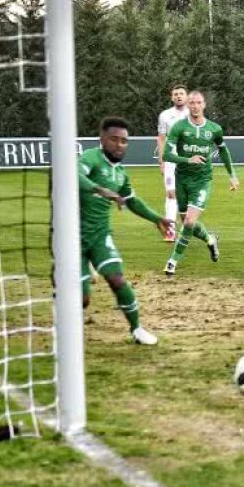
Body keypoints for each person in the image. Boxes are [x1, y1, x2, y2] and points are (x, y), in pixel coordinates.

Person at [78, 117, 173, 345]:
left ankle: (136, 329)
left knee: (117, 280)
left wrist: (156, 218)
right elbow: (74, 175)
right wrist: (101, 190)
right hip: (72, 237)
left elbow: (132, 201)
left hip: (100, 236)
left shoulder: (121, 173)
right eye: (114, 139)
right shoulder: (90, 158)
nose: (119, 145)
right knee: (82, 299)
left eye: (124, 141)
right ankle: (63, 330)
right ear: (102, 139)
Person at [162, 90, 239, 276]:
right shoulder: (179, 127)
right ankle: (210, 239)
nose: (195, 106)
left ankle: (172, 262)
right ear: (188, 105)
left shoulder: (214, 129)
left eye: (198, 103)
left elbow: (224, 151)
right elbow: (166, 155)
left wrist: (233, 176)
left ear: (204, 104)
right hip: (182, 180)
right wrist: (188, 160)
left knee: (188, 221)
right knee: (187, 222)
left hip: (202, 181)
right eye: (192, 103)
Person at [156, 83, 190, 242]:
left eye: (181, 93)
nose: (178, 96)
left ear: (186, 96)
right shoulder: (165, 115)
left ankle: (187, 228)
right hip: (171, 160)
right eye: (175, 94)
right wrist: (161, 161)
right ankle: (170, 230)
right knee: (171, 193)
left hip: (189, 160)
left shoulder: (193, 113)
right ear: (172, 97)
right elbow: (161, 138)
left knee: (187, 195)